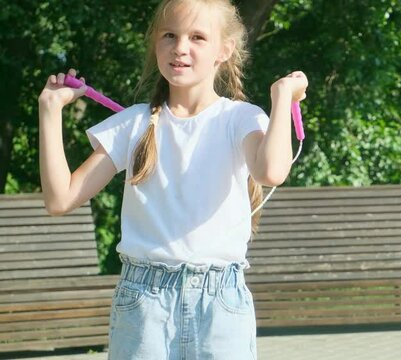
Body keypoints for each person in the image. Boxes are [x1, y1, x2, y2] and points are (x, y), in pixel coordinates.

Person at [37, 0, 308, 358]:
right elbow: (60, 199)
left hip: (221, 303)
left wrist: (281, 97)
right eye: (170, 35)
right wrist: (49, 111)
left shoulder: (241, 119)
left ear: (223, 50)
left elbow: (271, 171)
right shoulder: (133, 124)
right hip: (144, 304)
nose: (180, 47)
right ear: (156, 44)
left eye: (197, 37)